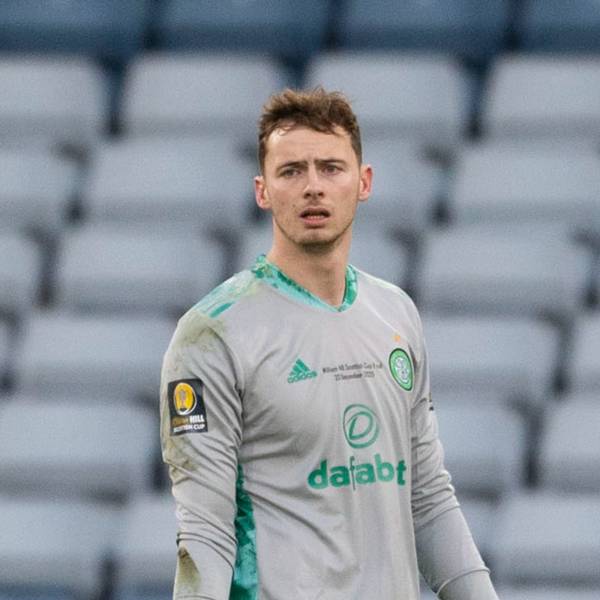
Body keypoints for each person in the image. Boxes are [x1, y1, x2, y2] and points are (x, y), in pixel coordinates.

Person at [160, 87, 499, 599]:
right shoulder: (212, 334)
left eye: (331, 168)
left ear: (364, 182)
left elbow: (427, 498)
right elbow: (205, 531)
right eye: (291, 171)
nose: (313, 187)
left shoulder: (396, 314)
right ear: (262, 191)